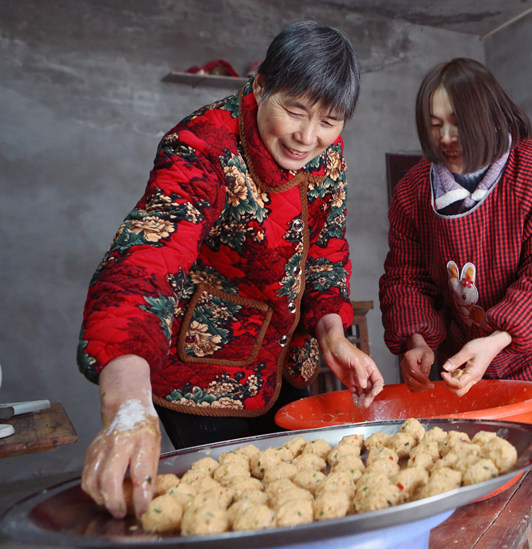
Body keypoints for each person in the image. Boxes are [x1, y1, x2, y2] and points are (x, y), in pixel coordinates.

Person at [78, 21, 384, 520]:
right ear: (261, 85)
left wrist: (333, 334)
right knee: (224, 510)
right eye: (294, 111)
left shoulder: (325, 153)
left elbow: (327, 250)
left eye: (329, 120)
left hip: (285, 364)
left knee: (286, 506)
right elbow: (146, 259)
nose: (308, 136)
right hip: (204, 374)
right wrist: (127, 404)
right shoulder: (203, 144)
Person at [379, 58, 532, 549]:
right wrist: (416, 339)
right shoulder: (415, 190)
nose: (447, 138)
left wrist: (500, 338)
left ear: (490, 117)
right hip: (466, 354)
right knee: (481, 480)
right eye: (435, 127)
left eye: (458, 123)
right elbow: (406, 275)